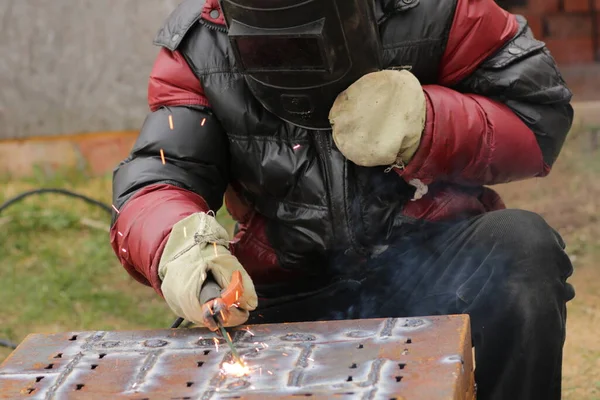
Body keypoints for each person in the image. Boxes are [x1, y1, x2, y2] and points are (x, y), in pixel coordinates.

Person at [110, 0, 574, 398]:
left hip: (430, 264)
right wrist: (179, 244)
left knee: (521, 249)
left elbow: (538, 114)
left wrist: (429, 122)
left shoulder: (438, 10)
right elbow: (163, 175)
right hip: (288, 285)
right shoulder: (201, 41)